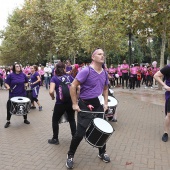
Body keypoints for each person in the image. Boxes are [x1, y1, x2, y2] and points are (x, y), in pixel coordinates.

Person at [66, 48, 110, 169]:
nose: (102, 56)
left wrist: (105, 103)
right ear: (93, 57)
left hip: (98, 105)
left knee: (103, 130)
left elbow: (105, 88)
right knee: (80, 133)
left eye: (103, 54)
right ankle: (70, 156)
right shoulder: (86, 71)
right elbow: (73, 86)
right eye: (99, 54)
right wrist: (75, 104)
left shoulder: (105, 72)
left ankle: (102, 153)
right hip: (85, 104)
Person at [48, 62, 76, 145]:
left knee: (55, 120)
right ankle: (74, 137)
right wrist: (76, 98)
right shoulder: (69, 77)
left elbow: (51, 91)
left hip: (60, 103)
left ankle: (55, 139)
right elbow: (78, 87)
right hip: (70, 102)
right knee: (72, 119)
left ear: (56, 69)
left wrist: (52, 97)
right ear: (64, 69)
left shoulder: (54, 78)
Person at [4, 63, 30, 128]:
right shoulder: (10, 75)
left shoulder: (23, 75)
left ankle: (25, 119)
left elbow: (26, 82)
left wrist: (26, 85)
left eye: (19, 66)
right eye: (17, 66)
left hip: (22, 94)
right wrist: (8, 87)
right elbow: (6, 83)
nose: (18, 67)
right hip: (13, 94)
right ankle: (8, 121)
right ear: (14, 68)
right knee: (10, 107)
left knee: (24, 107)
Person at [154, 65, 170, 142]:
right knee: (169, 115)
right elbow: (156, 76)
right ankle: (166, 133)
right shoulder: (168, 67)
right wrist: (165, 85)